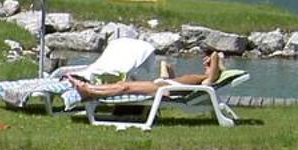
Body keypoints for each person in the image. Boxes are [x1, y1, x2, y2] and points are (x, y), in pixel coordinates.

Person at [62, 50, 224, 97]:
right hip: (163, 85)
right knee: (122, 85)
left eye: (209, 65)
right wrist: (168, 70)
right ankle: (89, 88)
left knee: (125, 88)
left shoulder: (207, 81)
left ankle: (89, 90)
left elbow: (216, 56)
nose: (206, 65)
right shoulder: (199, 78)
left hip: (162, 90)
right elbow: (165, 65)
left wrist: (214, 58)